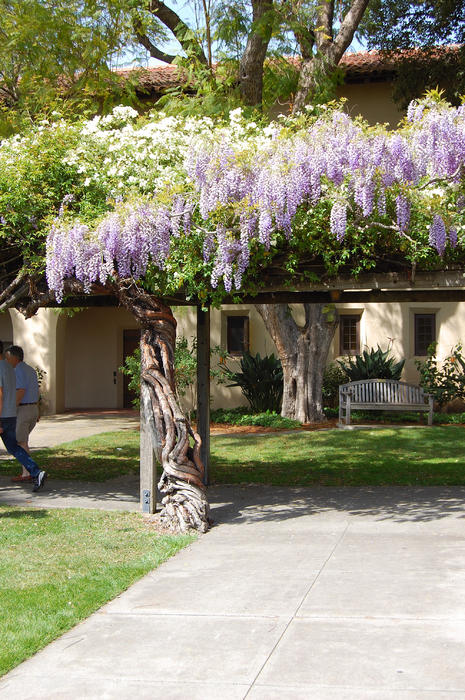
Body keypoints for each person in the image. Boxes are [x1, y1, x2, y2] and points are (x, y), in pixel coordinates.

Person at [0, 340, 46, 492]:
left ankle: (31, 472)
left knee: (19, 444)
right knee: (17, 445)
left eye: (9, 356)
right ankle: (35, 472)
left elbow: (6, 394)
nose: (8, 359)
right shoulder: (17, 368)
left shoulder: (11, 369)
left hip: (9, 413)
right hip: (20, 412)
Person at [5, 345, 40, 482]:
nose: (6, 361)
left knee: (21, 442)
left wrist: (10, 408)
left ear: (15, 358)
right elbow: (35, 390)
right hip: (32, 408)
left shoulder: (17, 371)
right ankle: (28, 471)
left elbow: (20, 391)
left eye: (8, 358)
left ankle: (28, 472)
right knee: (22, 441)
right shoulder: (30, 369)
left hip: (23, 410)